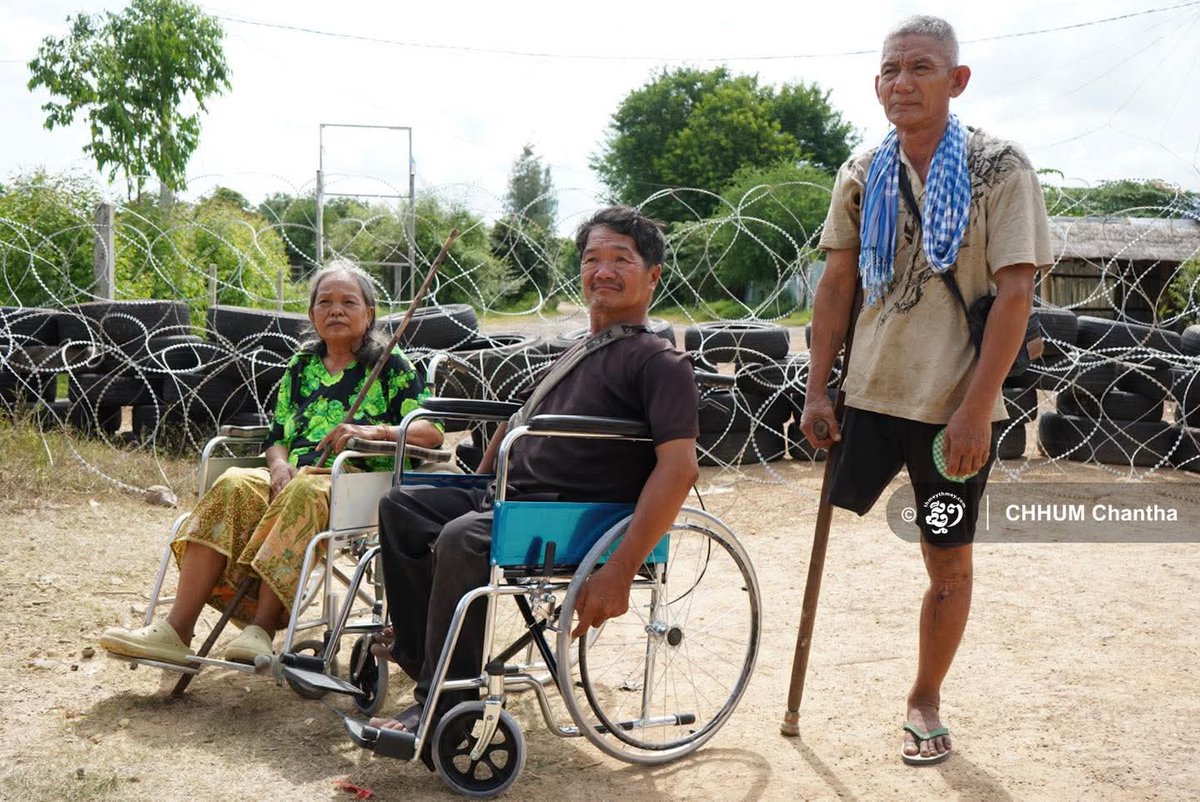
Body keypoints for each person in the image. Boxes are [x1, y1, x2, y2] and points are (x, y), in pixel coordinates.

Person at [801, 16, 1052, 765]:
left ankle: (924, 698)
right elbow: (837, 283)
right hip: (870, 397)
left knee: (947, 554)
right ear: (876, 83)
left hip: (952, 412)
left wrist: (975, 411)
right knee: (833, 524)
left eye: (921, 67)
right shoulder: (861, 169)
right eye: (890, 70)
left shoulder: (999, 169)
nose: (902, 82)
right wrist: (819, 390)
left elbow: (1015, 297)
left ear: (957, 80)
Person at [370, 205, 700, 735]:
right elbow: (516, 421)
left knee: (463, 538)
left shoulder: (658, 363)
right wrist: (478, 484)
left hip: (576, 517)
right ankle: (423, 659)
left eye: (621, 259)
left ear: (653, 275)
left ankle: (445, 704)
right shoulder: (573, 355)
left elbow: (680, 469)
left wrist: (618, 569)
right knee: (403, 505)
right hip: (517, 501)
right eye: (593, 258)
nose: (604, 270)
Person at [100, 262, 443, 666]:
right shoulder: (302, 366)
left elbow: (431, 431)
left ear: (368, 313)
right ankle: (177, 630)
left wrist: (372, 433)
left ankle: (260, 629)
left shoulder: (390, 364)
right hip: (296, 475)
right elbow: (278, 438)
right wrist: (278, 466)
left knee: (302, 490)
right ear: (312, 314)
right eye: (325, 302)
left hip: (355, 482)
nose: (336, 310)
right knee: (233, 482)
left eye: (349, 302)